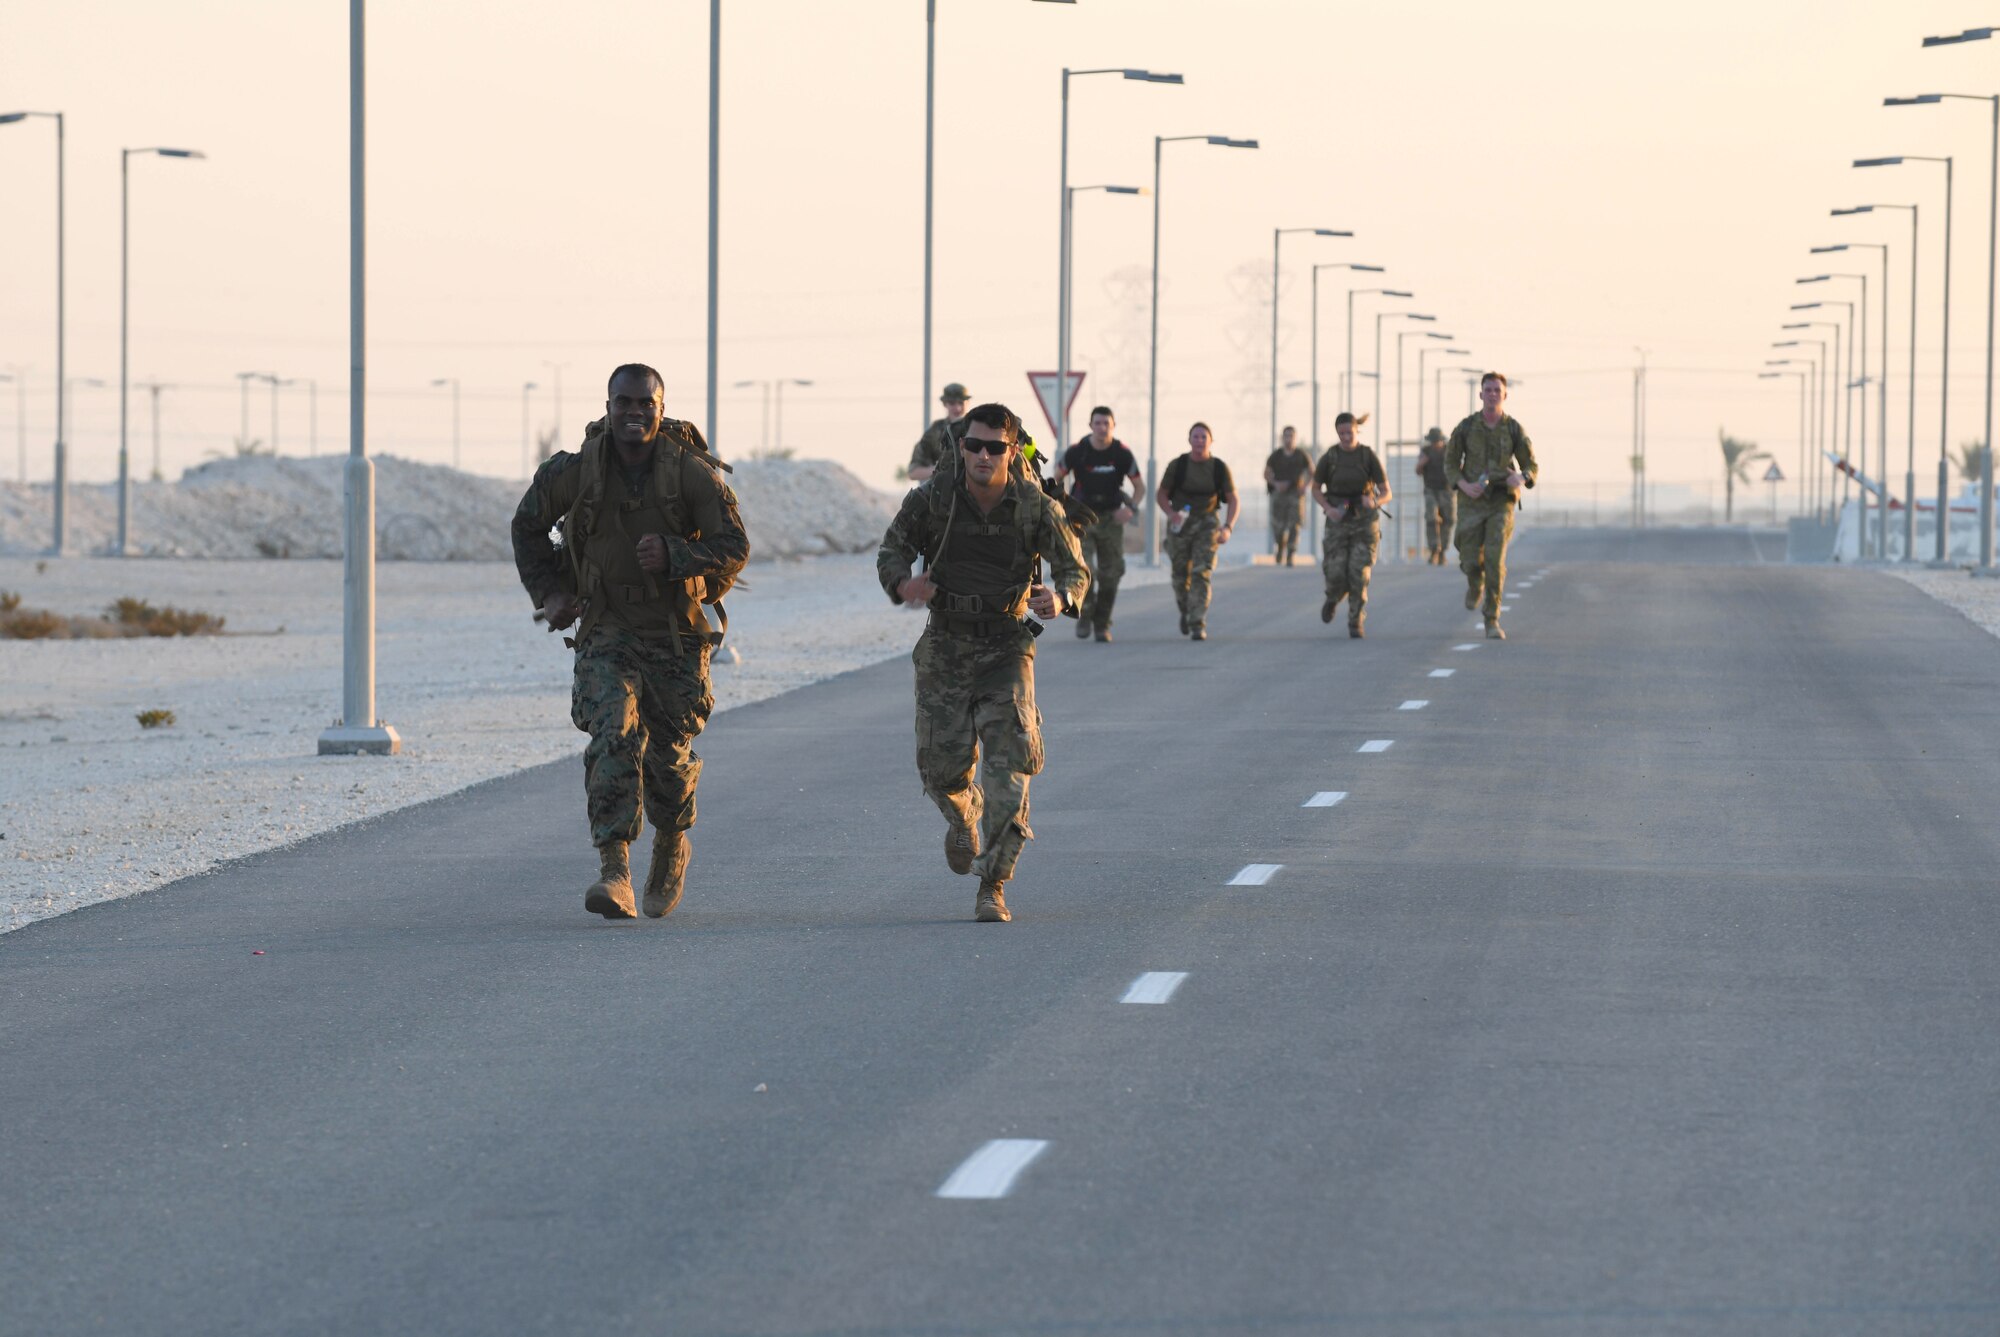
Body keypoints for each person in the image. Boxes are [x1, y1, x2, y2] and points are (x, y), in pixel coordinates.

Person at [512, 364, 750, 920]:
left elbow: (734, 546)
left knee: (667, 759)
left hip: (673, 632)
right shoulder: (576, 472)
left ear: (661, 408)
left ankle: (671, 843)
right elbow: (526, 525)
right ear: (609, 405)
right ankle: (614, 869)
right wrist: (549, 594)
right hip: (606, 627)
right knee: (612, 731)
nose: (635, 413)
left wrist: (676, 556)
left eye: (646, 403)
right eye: (625, 402)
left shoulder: (690, 474)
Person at [877, 402, 1089, 923]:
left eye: (995, 447)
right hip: (946, 644)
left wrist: (1060, 600)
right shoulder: (933, 500)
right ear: (961, 447)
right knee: (940, 771)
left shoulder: (1034, 506)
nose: (983, 455)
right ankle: (963, 813)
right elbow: (891, 550)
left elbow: (1075, 569)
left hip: (1006, 646)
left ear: (1012, 450)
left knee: (1010, 768)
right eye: (974, 445)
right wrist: (904, 584)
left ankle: (992, 884)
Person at [1445, 371, 1538, 640]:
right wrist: (1463, 485)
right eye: (1488, 389)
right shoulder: (1465, 428)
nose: (1493, 394)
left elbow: (1531, 465)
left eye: (1497, 390)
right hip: (1471, 501)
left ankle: (1491, 619)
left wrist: (1521, 477)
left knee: (1495, 561)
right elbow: (1450, 464)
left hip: (1501, 501)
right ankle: (1475, 583)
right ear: (1481, 394)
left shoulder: (1513, 429)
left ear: (1505, 395)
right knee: (1469, 558)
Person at [1054, 405, 1142, 642]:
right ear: (1091, 425)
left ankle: (1102, 623)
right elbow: (1056, 477)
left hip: (1111, 519)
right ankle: (1085, 614)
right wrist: (1061, 505)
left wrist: (1129, 509)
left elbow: (1139, 487)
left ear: (1113, 426)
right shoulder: (1078, 451)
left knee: (1111, 573)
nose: (1102, 428)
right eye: (1098, 423)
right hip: (1082, 517)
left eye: (1107, 424)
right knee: (1085, 571)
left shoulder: (1122, 453)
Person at [1157, 422, 1240, 642]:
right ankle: (1186, 610)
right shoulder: (1178, 465)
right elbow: (1162, 494)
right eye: (1196, 437)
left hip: (1208, 524)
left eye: (1204, 437)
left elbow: (1233, 500)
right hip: (1181, 524)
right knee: (1179, 576)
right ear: (1189, 440)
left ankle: (1197, 622)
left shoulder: (1219, 468)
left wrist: (1228, 527)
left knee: (1201, 573)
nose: (1199, 441)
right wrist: (1170, 513)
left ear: (1211, 441)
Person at [1310, 411, 1389, 638]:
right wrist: (1328, 508)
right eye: (1341, 433)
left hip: (1364, 521)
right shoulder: (1330, 457)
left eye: (1350, 432)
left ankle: (1355, 620)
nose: (1346, 437)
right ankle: (1333, 597)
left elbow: (1386, 492)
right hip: (1338, 519)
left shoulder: (1367, 456)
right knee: (1335, 572)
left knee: (1359, 573)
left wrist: (1374, 501)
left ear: (1357, 431)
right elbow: (1315, 489)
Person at [1265, 425, 1312, 566]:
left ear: (1295, 438)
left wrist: (1305, 486)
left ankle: (1291, 553)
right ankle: (1280, 546)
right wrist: (1275, 484)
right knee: (1277, 526)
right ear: (1282, 438)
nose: (1288, 439)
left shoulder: (1301, 455)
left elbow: (1312, 472)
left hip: (1295, 494)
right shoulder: (1276, 455)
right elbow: (1266, 473)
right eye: (1286, 436)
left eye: (1291, 436)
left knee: (1295, 525)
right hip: (1279, 494)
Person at [907, 382, 970, 482]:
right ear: (945, 404)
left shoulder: (977, 429)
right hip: (944, 491)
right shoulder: (935, 432)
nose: (957, 408)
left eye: (961, 403)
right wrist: (940, 469)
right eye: (952, 403)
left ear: (967, 403)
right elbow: (913, 472)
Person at [1414, 426, 1454, 565]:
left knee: (1448, 520)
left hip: (1447, 490)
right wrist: (1422, 463)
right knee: (1431, 519)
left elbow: (1457, 467)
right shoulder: (1426, 452)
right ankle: (1433, 550)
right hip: (1431, 490)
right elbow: (1418, 471)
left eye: (1437, 441)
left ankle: (1442, 551)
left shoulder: (1449, 451)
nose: (1435, 444)